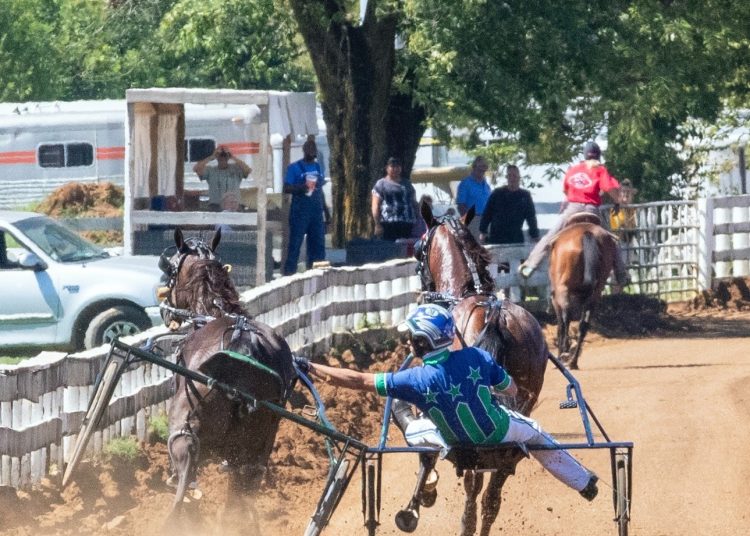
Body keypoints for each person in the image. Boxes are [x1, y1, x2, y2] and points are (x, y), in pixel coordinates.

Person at [297, 304, 599, 502]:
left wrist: (311, 368)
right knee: (535, 432)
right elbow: (511, 388)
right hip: (499, 432)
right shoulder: (477, 357)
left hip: (450, 442)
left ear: (422, 342)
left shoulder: (413, 379)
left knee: (414, 428)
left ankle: (427, 469)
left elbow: (359, 381)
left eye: (411, 338)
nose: (408, 343)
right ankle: (583, 482)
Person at [519, 142, 630, 286]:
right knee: (611, 240)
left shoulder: (573, 170)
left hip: (573, 209)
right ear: (599, 156)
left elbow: (565, 190)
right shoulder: (600, 170)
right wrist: (618, 200)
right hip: (591, 210)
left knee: (551, 236)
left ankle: (530, 265)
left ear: (584, 155)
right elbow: (610, 189)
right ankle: (621, 274)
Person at [283, 138, 331, 275]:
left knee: (318, 246)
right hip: (300, 212)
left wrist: (327, 213)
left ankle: (317, 275)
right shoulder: (294, 168)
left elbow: (320, 191)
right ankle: (289, 275)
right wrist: (301, 188)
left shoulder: (318, 167)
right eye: (309, 149)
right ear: (304, 150)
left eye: (314, 149)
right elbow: (286, 188)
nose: (312, 151)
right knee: (295, 244)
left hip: (316, 212)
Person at [479, 165, 539, 245]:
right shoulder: (497, 193)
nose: (512, 178)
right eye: (509, 175)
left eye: (514, 175)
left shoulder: (525, 196)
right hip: (496, 238)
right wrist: (483, 231)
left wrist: (534, 235)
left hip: (516, 238)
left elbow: (531, 217)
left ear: (519, 177)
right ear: (506, 177)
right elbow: (487, 214)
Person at [371, 157, 419, 240]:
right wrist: (377, 224)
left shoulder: (407, 183)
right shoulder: (381, 184)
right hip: (389, 223)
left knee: (406, 249)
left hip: (407, 223)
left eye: (398, 167)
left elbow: (414, 202)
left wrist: (418, 218)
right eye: (392, 166)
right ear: (387, 168)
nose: (395, 169)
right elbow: (375, 205)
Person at [193, 145, 252, 212]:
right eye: (220, 156)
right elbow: (196, 169)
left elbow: (248, 170)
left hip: (234, 205)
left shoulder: (236, 169)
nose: (222, 158)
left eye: (225, 156)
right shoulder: (210, 170)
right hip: (216, 205)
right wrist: (212, 156)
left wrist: (232, 156)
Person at [456, 156, 492, 238]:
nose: (482, 170)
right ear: (474, 167)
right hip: (474, 220)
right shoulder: (465, 184)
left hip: (487, 221)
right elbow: (460, 205)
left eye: (484, 167)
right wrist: (469, 221)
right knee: (477, 248)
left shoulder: (486, 185)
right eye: (480, 167)